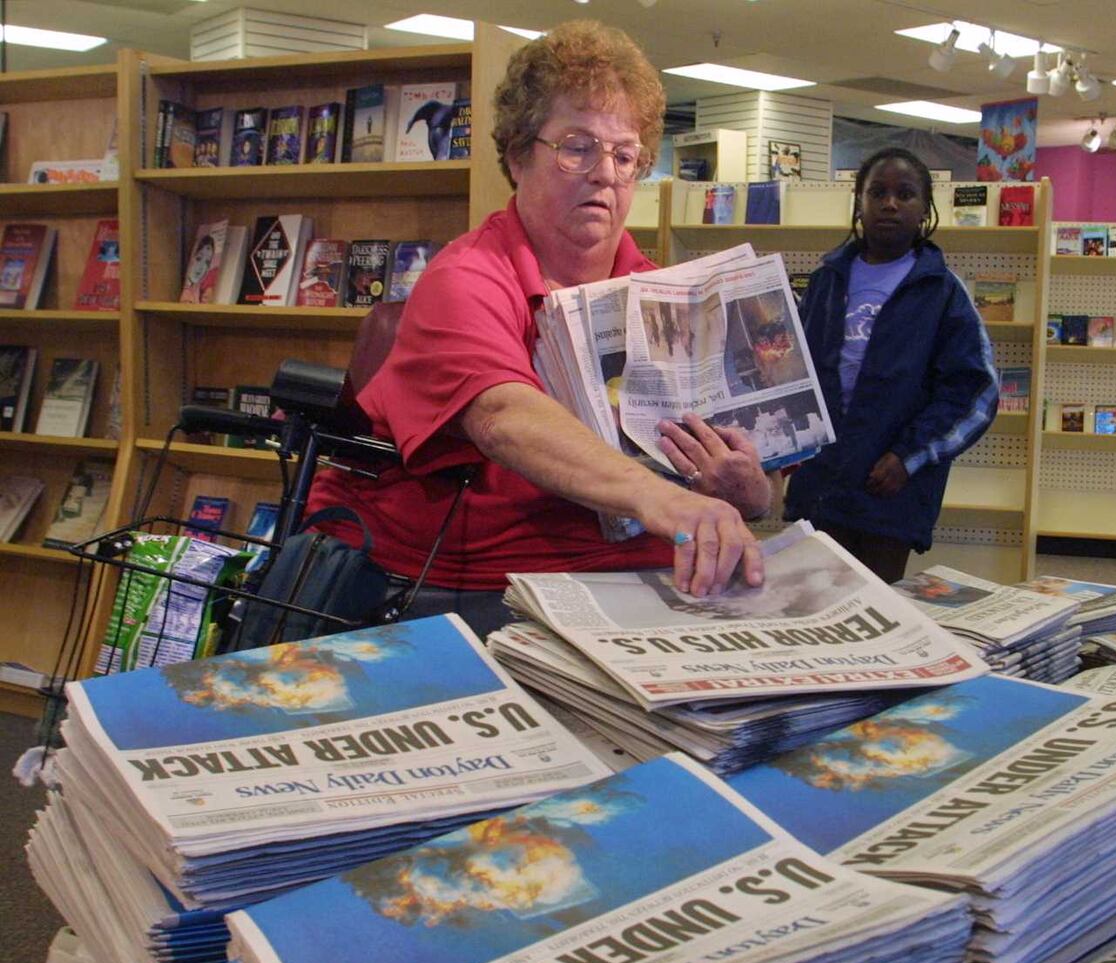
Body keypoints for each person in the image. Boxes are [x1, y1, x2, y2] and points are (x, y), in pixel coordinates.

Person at [305, 21, 771, 637]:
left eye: (625, 155)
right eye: (578, 147)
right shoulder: (466, 277)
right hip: (476, 584)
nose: (605, 173)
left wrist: (743, 492)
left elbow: (753, 498)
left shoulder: (663, 292)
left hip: (637, 573)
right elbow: (504, 417)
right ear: (519, 155)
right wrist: (664, 499)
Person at [783, 146, 997, 584]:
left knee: (877, 609)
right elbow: (797, 372)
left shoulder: (941, 292)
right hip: (822, 480)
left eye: (906, 194)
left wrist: (910, 456)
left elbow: (975, 393)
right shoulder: (826, 280)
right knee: (811, 602)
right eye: (876, 192)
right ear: (859, 204)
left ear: (925, 209)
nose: (890, 203)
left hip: (890, 486)